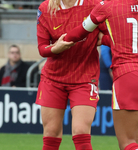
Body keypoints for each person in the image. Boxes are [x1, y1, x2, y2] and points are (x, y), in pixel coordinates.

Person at [63, 0, 138, 149]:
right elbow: (128, 38)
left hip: (129, 74)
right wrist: (104, 39)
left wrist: (59, 42)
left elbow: (80, 32)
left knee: (128, 142)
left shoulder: (107, 7)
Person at [36, 0, 107, 150]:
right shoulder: (46, 7)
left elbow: (110, 33)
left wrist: (101, 38)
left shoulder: (95, 4)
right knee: (51, 134)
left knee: (81, 132)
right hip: (52, 78)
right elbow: (42, 49)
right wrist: (57, 48)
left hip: (85, 77)